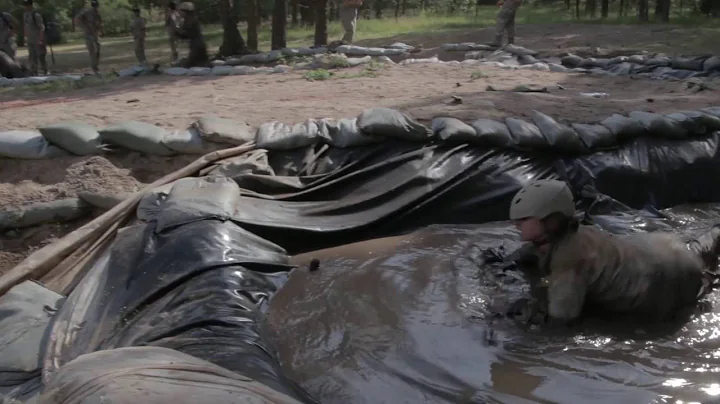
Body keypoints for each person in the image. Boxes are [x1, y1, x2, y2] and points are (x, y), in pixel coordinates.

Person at [507, 179, 720, 326]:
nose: (516, 224)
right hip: (665, 250)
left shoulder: (569, 260)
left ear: (551, 220)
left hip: (667, 282)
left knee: (701, 260)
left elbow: (561, 321)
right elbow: (531, 254)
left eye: (524, 220)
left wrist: (522, 317)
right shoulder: (577, 233)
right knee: (703, 247)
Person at [174, 2, 208, 68]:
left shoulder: (191, 20)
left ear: (185, 11)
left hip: (197, 46)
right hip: (197, 44)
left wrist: (177, 31)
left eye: (180, 11)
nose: (179, 13)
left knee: (187, 66)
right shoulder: (189, 20)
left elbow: (188, 35)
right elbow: (186, 35)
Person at [75, 0, 103, 74]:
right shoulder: (87, 12)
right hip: (88, 35)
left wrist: (101, 31)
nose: (95, 7)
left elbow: (99, 23)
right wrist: (84, 27)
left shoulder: (97, 14)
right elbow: (78, 19)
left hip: (95, 34)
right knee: (92, 51)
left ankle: (96, 66)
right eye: (94, 6)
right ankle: (94, 68)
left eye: (96, 6)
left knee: (97, 50)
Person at [23, 0, 47, 75]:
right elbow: (25, 26)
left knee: (41, 56)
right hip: (30, 39)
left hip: (37, 39)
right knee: (32, 57)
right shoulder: (25, 14)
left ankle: (44, 70)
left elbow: (42, 28)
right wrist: (25, 37)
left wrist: (41, 39)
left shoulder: (36, 15)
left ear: (31, 5)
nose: (26, 6)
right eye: (25, 5)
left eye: (27, 5)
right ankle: (34, 72)